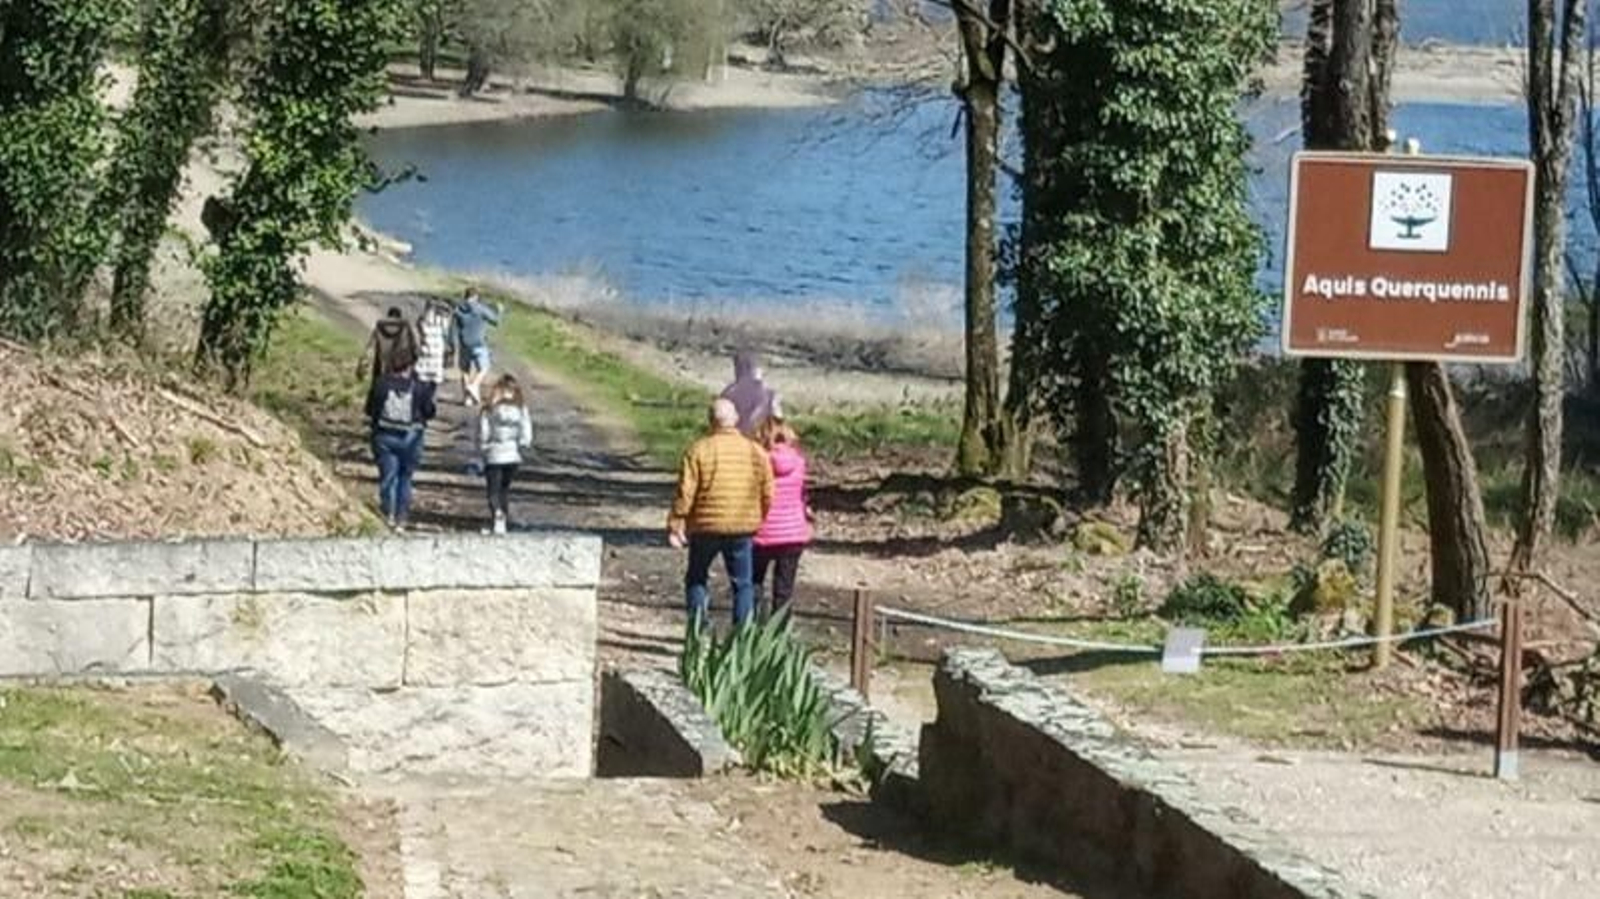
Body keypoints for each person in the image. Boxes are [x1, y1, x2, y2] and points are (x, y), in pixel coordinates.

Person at [668, 397, 774, 627]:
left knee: (697, 577)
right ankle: (741, 635)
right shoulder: (755, 452)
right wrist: (759, 518)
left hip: (705, 526)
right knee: (743, 584)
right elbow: (768, 491)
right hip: (741, 527)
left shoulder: (698, 450)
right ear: (735, 419)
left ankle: (698, 631)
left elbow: (686, 492)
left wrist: (677, 523)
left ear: (710, 421)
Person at [365, 347, 436, 531]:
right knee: (405, 477)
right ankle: (401, 518)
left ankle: (387, 512)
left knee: (388, 476)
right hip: (411, 436)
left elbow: (369, 409)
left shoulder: (381, 384)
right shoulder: (419, 387)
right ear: (410, 366)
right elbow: (429, 412)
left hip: (384, 435)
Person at [753, 419, 813, 618]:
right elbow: (803, 495)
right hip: (793, 533)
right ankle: (779, 633)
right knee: (784, 589)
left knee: (753, 584)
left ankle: (752, 629)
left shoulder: (759, 463)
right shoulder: (799, 462)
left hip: (763, 532)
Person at [477, 374, 533, 535]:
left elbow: (483, 432)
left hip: (494, 455)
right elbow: (526, 431)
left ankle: (497, 515)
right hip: (512, 456)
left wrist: (483, 448)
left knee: (493, 491)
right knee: (504, 490)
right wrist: (523, 444)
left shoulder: (489, 410)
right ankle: (503, 521)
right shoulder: (521, 409)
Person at [453, 287, 502, 405]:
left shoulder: (458, 310)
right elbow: (495, 321)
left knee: (465, 370)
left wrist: (452, 343)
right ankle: (474, 385)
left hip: (464, 343)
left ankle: (467, 399)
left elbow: (454, 328)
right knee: (484, 368)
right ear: (475, 297)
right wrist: (499, 311)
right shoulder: (480, 309)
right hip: (479, 343)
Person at [720, 350, 783, 437]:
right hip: (760, 438)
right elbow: (777, 418)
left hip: (735, 437)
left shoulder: (728, 392)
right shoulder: (767, 392)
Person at [359, 307, 419, 388]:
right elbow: (415, 349)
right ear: (399, 317)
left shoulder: (379, 327)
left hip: (381, 371)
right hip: (400, 370)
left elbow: (369, 350)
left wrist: (362, 371)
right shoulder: (406, 328)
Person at [415, 297, 454, 392]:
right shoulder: (443, 321)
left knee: (422, 378)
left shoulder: (423, 320)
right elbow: (447, 333)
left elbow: (419, 328)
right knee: (434, 379)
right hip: (437, 352)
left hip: (426, 350)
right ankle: (429, 399)